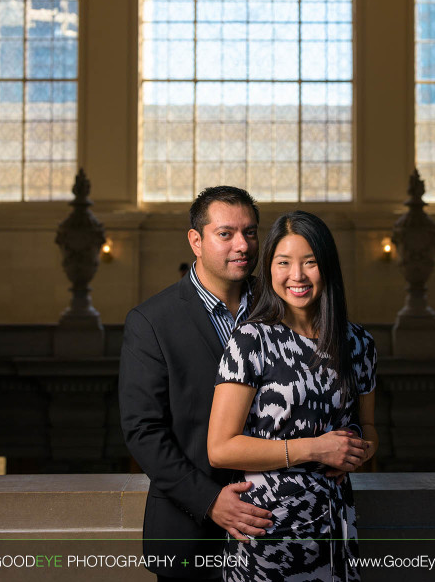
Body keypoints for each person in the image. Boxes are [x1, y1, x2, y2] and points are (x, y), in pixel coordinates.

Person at [208, 210, 378, 582]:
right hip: (267, 534)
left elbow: (368, 428)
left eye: (310, 263)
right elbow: (220, 448)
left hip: (336, 531)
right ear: (270, 268)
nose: (296, 276)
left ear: (328, 267)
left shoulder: (359, 344)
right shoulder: (252, 340)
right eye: (284, 263)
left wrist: (356, 450)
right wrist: (317, 449)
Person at [119, 186, 273, 582]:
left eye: (251, 232)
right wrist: (209, 501)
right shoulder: (152, 321)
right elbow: (143, 430)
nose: (242, 245)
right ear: (196, 241)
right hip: (189, 533)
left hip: (279, 524)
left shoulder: (281, 310)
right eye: (226, 234)